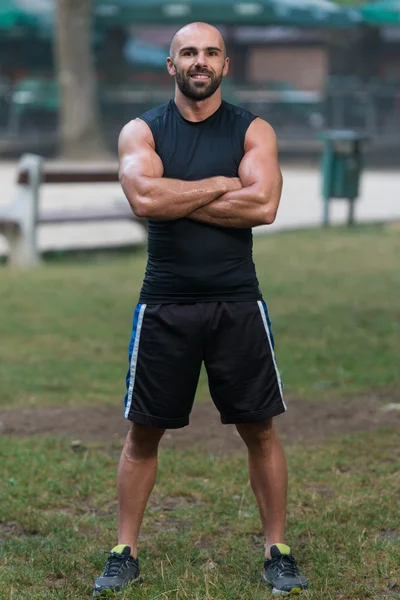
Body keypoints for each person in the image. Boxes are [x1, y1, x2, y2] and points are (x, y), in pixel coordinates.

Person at [93, 21, 308, 598]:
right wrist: (219, 184)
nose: (199, 61)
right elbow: (143, 198)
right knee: (143, 434)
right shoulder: (141, 130)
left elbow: (262, 205)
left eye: (210, 52)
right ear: (171, 65)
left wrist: (178, 196)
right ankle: (124, 550)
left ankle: (277, 550)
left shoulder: (252, 128)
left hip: (237, 299)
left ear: (224, 65)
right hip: (164, 301)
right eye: (188, 52)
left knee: (259, 430)